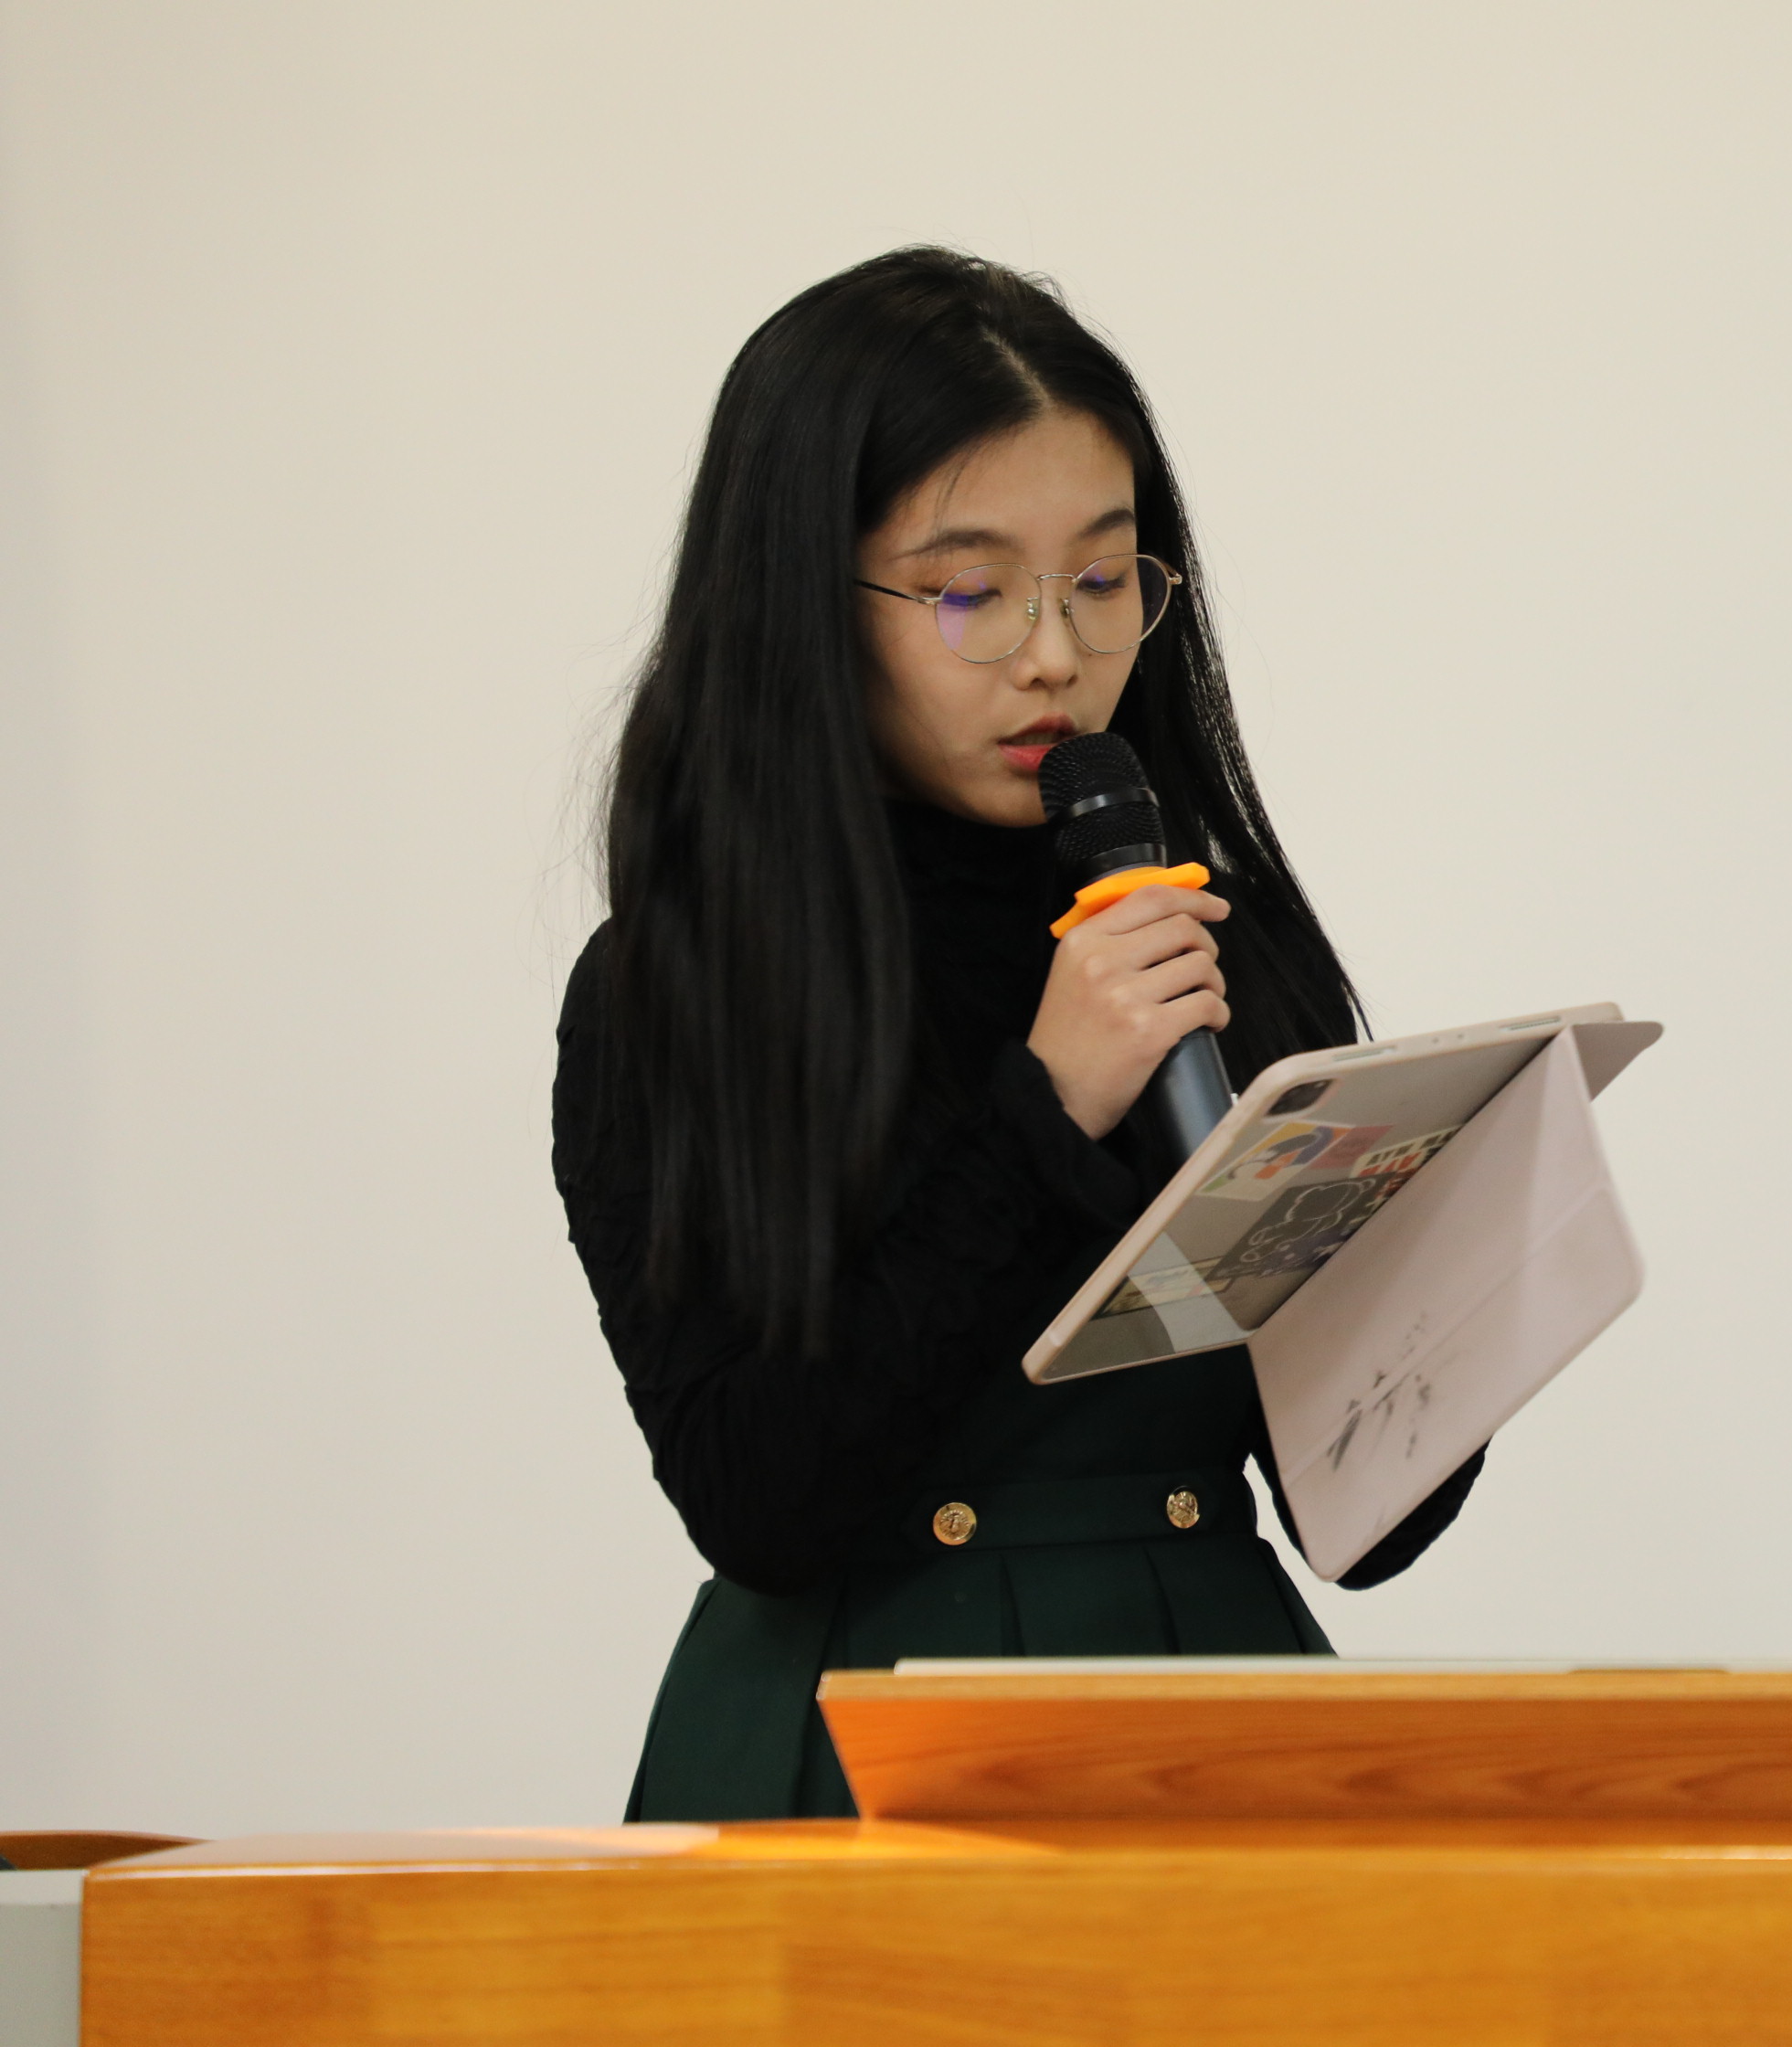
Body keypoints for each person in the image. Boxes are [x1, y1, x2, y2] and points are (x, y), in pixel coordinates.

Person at [552, 248, 1482, 1820]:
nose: (1055, 653)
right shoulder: (682, 985)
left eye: (1104, 583)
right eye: (971, 592)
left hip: (1217, 1709)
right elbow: (760, 1499)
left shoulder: (1206, 935)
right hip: (861, 1749)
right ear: (803, 600)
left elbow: (1370, 1532)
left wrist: (1445, 1291)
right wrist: (1045, 1107)